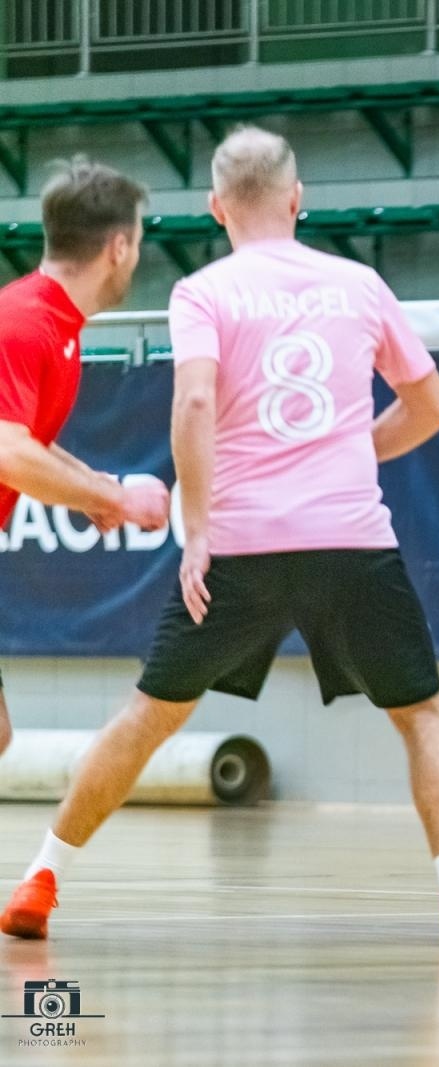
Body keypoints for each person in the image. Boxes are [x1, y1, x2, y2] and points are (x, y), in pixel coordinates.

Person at [0, 127, 439, 947]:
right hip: (349, 538)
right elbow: (433, 409)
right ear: (297, 197)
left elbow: (194, 405)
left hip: (239, 543)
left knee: (148, 715)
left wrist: (196, 532)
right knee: (423, 714)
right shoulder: (361, 283)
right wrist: (350, 448)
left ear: (215, 207)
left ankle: (40, 879)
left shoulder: (203, 292)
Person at [0, 158, 170, 760]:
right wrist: (114, 499)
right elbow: (10, 453)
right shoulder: (23, 322)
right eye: (140, 242)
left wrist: (96, 486)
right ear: (118, 247)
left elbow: (30, 445)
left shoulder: (57, 325)